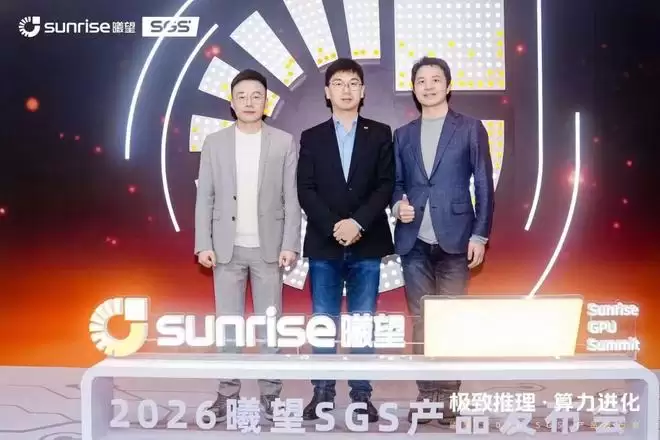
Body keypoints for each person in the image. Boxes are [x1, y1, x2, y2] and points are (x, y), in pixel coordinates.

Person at [391, 57, 495, 424]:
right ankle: (427, 395)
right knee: (421, 319)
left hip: (457, 238)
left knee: (451, 320)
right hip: (414, 240)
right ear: (414, 88)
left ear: (448, 86)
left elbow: (484, 183)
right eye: (421, 80)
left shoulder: (469, 128)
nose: (429, 86)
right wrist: (398, 206)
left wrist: (480, 234)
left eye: (436, 79)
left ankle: (449, 395)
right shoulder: (402, 134)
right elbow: (397, 184)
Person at [194, 69, 301, 422]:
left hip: (269, 249)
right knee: (228, 325)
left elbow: (291, 197)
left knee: (271, 325)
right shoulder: (215, 143)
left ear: (266, 101)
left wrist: (290, 243)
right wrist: (203, 244)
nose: (249, 102)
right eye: (242, 96)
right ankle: (227, 393)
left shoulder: (283, 142)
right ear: (232, 102)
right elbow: (205, 198)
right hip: (226, 249)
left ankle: (271, 394)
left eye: (257, 96)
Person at [296, 58, 394, 423]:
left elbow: (385, 185)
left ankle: (361, 395)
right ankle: (322, 391)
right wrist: (335, 226)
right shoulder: (312, 136)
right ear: (327, 92)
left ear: (363, 90)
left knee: (363, 320)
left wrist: (358, 223)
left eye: (353, 83)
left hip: (367, 242)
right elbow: (305, 189)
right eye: (338, 83)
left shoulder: (380, 133)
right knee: (323, 319)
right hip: (325, 243)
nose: (346, 90)